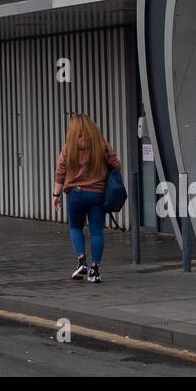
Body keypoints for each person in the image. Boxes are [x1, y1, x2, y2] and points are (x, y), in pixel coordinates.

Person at [53, 113, 121, 284]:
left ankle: (81, 261)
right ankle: (95, 271)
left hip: (76, 194)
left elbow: (60, 171)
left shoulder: (69, 147)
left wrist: (56, 195)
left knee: (75, 227)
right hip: (98, 194)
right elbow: (116, 164)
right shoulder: (101, 145)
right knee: (97, 232)